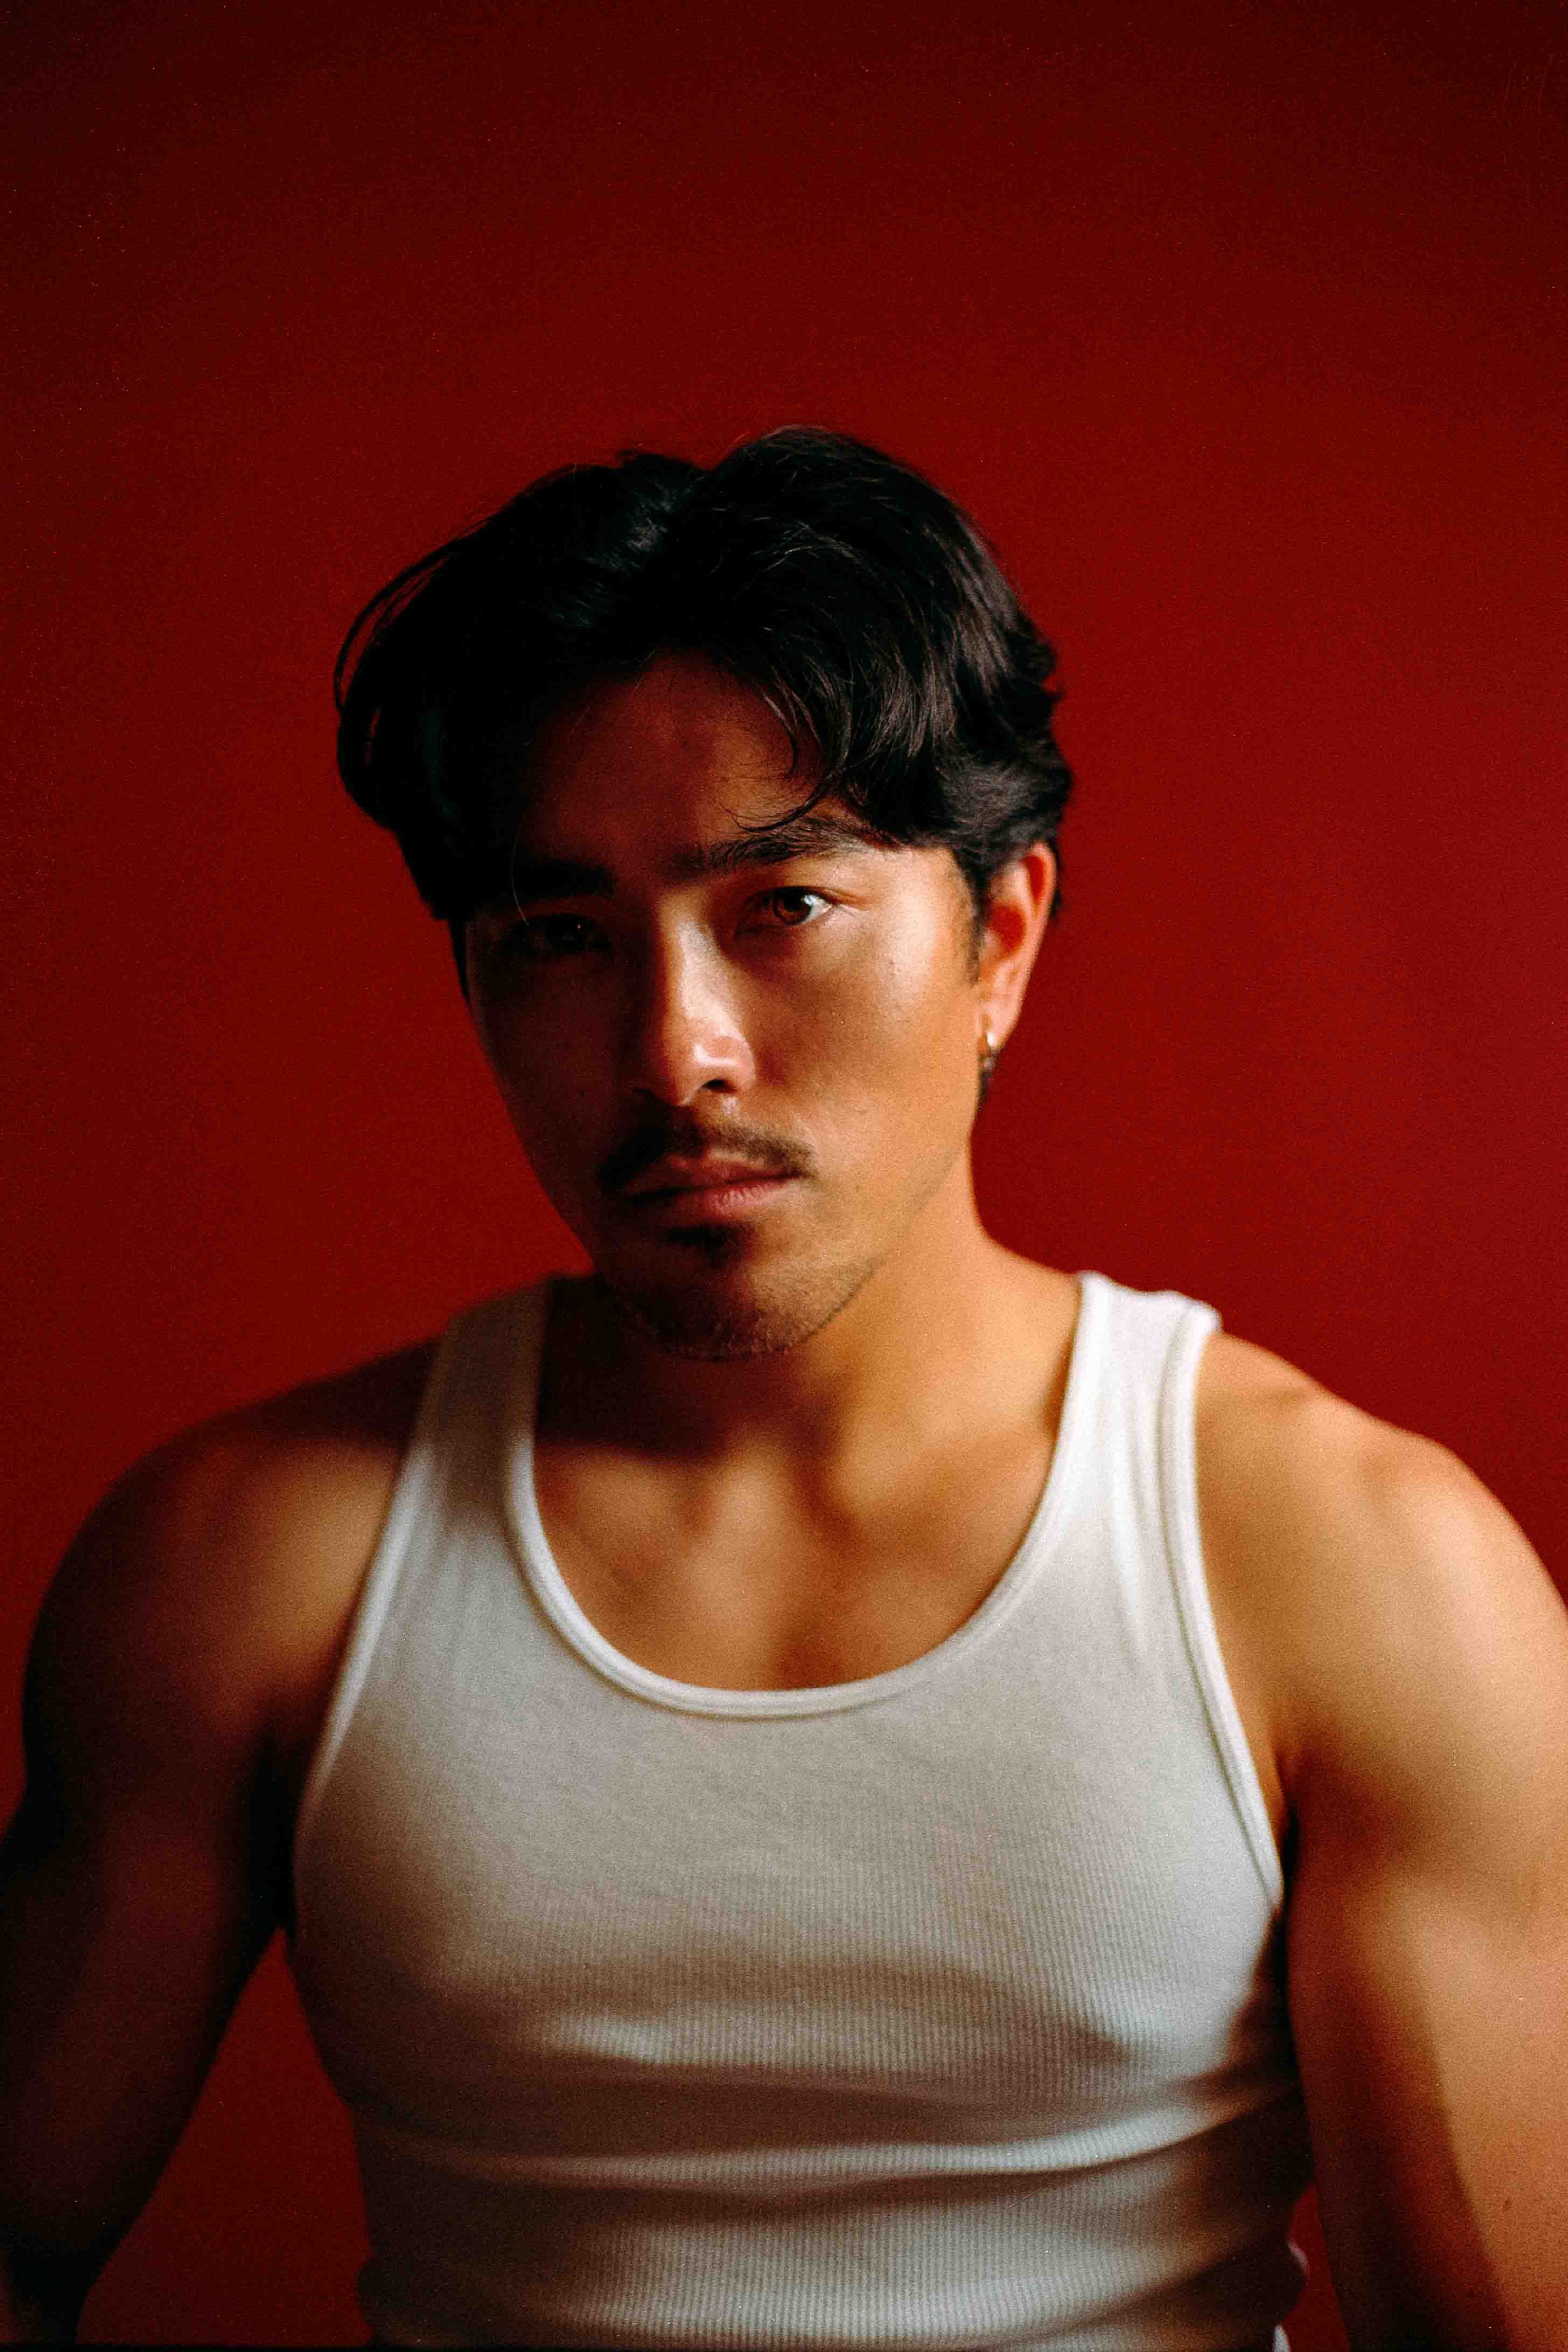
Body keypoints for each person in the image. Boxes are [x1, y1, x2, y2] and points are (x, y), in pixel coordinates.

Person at [2, 430, 1564, 2352]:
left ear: (1000, 939)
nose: (676, 1053)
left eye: (783, 907)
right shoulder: (246, 1565)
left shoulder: (1348, 1568)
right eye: (560, 939)